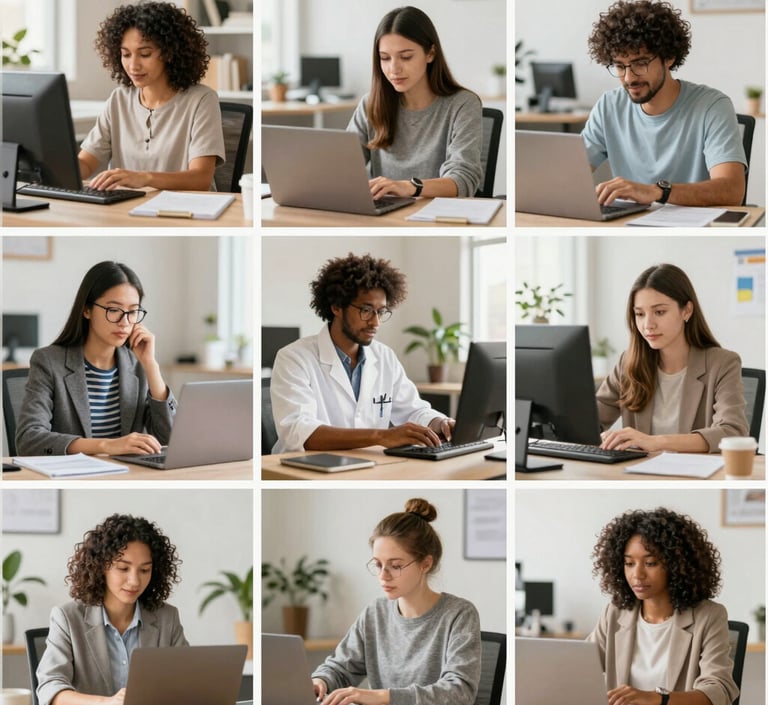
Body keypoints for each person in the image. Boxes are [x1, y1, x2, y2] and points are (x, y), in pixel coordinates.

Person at [269, 253, 454, 453]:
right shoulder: (294, 357)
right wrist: (382, 436)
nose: (375, 322)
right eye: (366, 310)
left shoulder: (384, 357)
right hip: (304, 472)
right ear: (336, 307)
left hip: (367, 467)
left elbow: (413, 410)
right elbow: (300, 433)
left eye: (381, 311)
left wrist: (439, 422)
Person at [312, 498, 481, 705]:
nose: (383, 575)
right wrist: (320, 681)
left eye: (395, 565)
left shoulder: (459, 614)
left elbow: (459, 693)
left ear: (425, 564)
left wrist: (382, 696)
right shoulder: (375, 612)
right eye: (378, 564)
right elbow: (341, 668)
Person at [583, 0, 746, 207]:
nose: (628, 77)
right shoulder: (608, 105)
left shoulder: (712, 106)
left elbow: (732, 190)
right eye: (620, 66)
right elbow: (570, 174)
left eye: (640, 63)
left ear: (668, 57)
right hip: (629, 224)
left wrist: (656, 191)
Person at [15, 261, 176, 456]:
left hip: (125, 477)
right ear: (87, 310)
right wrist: (106, 445)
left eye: (133, 311)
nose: (125, 322)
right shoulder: (48, 362)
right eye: (113, 310)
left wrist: (151, 366)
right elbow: (28, 439)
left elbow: (172, 440)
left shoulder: (139, 365)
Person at [588, 508, 738, 705]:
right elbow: (579, 665)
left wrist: (657, 698)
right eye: (629, 563)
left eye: (650, 563)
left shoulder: (709, 616)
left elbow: (719, 689)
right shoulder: (615, 613)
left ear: (676, 564)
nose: (637, 574)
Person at [36, 514, 188, 705]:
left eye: (144, 570)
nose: (134, 581)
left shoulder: (167, 618)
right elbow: (50, 687)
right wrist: (105, 703)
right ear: (101, 567)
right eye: (123, 568)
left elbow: (186, 681)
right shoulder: (67, 617)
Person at [597, 263, 748, 453]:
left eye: (659, 312)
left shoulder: (723, 363)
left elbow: (733, 432)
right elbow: (589, 422)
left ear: (687, 310)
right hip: (638, 477)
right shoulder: (627, 364)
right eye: (640, 314)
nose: (647, 325)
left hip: (694, 477)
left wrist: (656, 442)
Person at [78, 2, 225, 191]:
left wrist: (144, 178)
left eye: (145, 54)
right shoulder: (119, 99)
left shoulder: (202, 100)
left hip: (185, 211)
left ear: (170, 53)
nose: (133, 65)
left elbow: (200, 179)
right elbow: (86, 163)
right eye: (126, 54)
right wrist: (46, 166)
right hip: (126, 211)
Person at [347, 6, 483, 199]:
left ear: (430, 54)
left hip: (437, 219)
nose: (394, 68)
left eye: (406, 57)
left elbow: (463, 180)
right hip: (383, 220)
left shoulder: (463, 104)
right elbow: (342, 168)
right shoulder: (371, 104)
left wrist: (409, 187)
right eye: (385, 58)